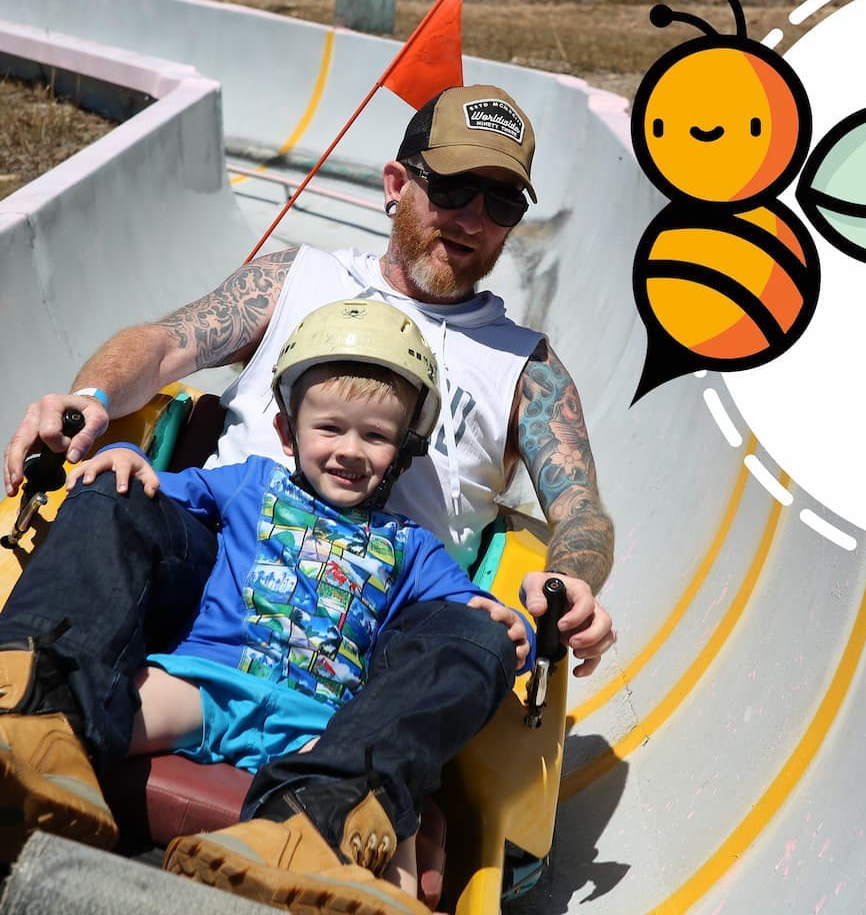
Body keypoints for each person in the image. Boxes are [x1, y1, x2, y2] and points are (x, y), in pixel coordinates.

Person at [0, 83, 615, 908]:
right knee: (112, 488)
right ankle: (29, 722)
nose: (470, 218)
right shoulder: (301, 278)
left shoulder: (527, 366)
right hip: (221, 548)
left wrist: (571, 579)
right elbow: (162, 343)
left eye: (499, 201)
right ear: (398, 182)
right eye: (452, 188)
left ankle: (317, 824)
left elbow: (579, 506)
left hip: (391, 611)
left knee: (477, 638)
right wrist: (93, 402)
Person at [86, 299, 529, 906]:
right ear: (288, 432)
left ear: (402, 450)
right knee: (107, 705)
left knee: (388, 814)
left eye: (375, 436)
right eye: (330, 428)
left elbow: (466, 617)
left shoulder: (413, 547)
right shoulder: (247, 483)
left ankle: (381, 899)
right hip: (211, 683)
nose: (350, 450)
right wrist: (129, 458)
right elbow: (158, 495)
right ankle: (41, 764)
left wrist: (513, 625)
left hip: (324, 730)